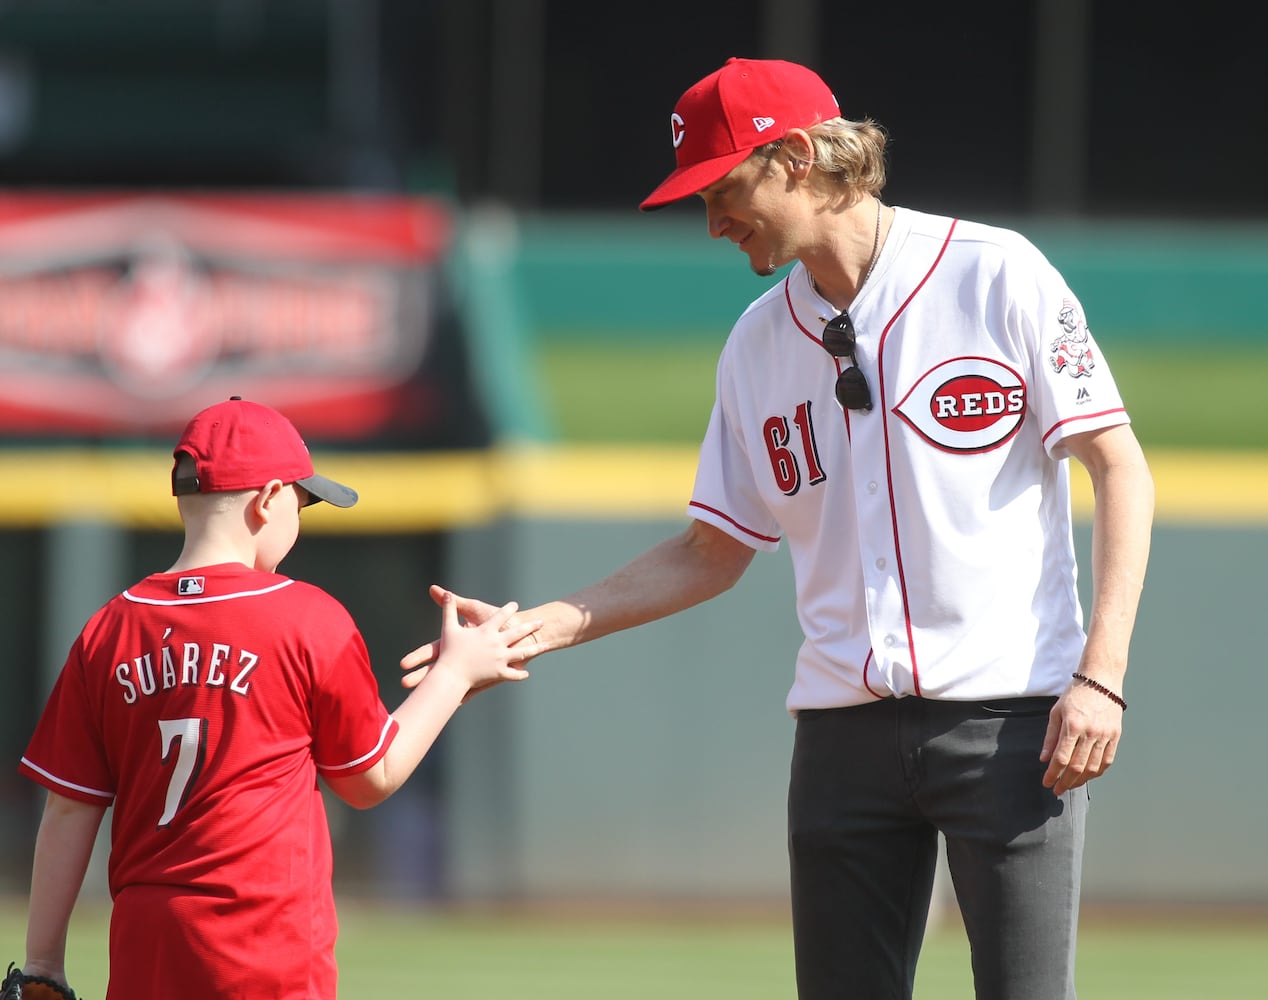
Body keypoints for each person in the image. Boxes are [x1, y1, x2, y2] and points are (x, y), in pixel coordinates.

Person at [403, 57, 1155, 999]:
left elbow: (1120, 469)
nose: (714, 222)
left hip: (1012, 720)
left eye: (724, 189)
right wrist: (534, 627)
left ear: (797, 156)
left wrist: (1103, 676)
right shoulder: (759, 342)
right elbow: (709, 551)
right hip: (844, 739)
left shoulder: (995, 274)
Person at [15, 396, 540, 999]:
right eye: (303, 500)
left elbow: (69, 809)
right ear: (268, 500)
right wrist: (456, 674)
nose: (301, 514)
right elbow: (371, 777)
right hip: (266, 948)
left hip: (147, 944)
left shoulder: (110, 627)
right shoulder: (308, 618)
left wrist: (42, 964)